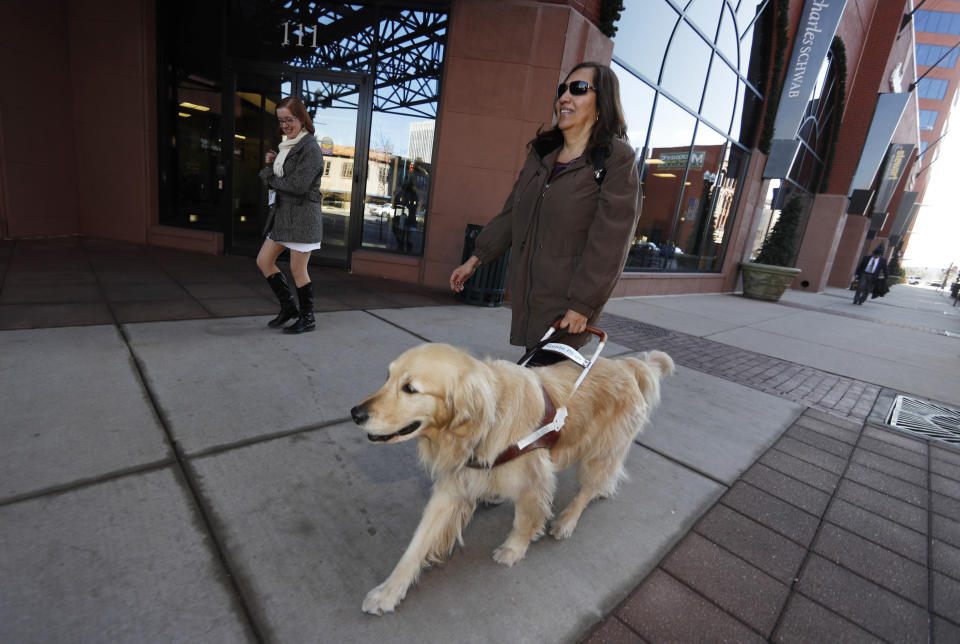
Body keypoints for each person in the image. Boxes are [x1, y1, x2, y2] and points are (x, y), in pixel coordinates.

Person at [449, 62, 641, 365]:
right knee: (537, 388)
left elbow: (612, 240)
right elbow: (513, 212)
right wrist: (476, 259)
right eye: (562, 89)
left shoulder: (615, 158)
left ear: (602, 102)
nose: (565, 97)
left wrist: (583, 304)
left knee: (541, 391)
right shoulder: (542, 154)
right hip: (530, 297)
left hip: (568, 306)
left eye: (578, 89)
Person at [256, 97, 325, 334]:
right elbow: (284, 181)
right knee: (264, 260)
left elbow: (297, 185)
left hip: (303, 219)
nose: (285, 125)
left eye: (289, 119)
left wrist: (268, 175)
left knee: (298, 270)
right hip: (284, 217)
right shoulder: (289, 147)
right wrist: (274, 164)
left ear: (301, 119)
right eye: (281, 120)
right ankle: (289, 308)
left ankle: (308, 318)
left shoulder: (311, 149)